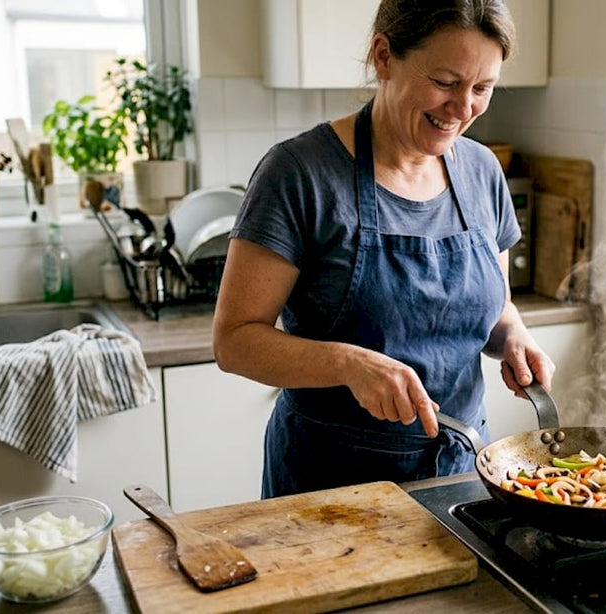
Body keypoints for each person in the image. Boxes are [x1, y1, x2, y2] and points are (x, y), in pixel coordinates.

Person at [212, 0, 554, 498]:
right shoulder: (299, 174)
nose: (463, 110)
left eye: (482, 89)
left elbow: (497, 305)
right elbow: (234, 341)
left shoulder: (482, 172)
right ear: (384, 57)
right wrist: (350, 365)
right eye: (445, 82)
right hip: (329, 490)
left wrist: (515, 337)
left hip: (459, 474)